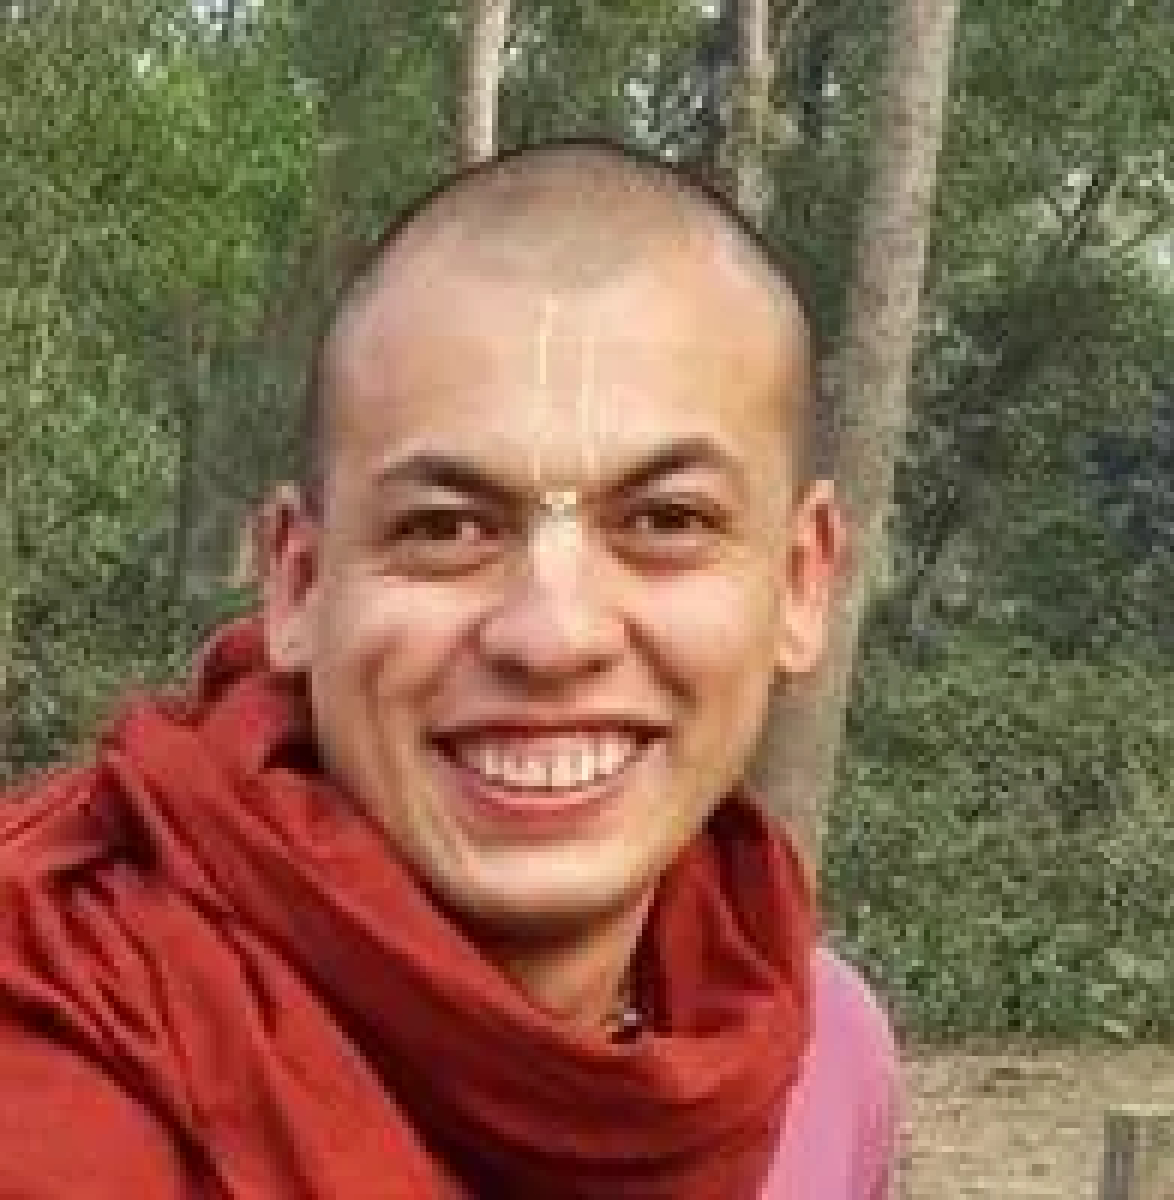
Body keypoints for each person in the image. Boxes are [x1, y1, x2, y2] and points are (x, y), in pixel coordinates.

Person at [0, 138, 902, 1198]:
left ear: (801, 582)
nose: (553, 636)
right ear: (298, 582)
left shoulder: (819, 1059)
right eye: (445, 528)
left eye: (666, 520)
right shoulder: (60, 1059)